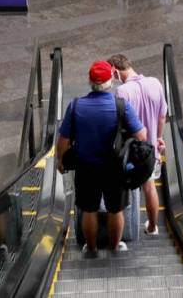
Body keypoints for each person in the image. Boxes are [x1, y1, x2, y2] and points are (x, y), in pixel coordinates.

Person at [56, 61, 146, 258]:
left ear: (90, 81)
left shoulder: (75, 106)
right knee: (116, 209)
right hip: (115, 168)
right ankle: (115, 247)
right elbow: (141, 136)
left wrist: (60, 161)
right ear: (110, 81)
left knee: (89, 209)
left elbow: (62, 140)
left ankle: (92, 248)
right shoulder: (121, 105)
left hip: (85, 167)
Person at [110, 54, 167, 236]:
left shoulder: (122, 92)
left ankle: (126, 231)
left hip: (131, 150)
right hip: (150, 149)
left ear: (116, 72)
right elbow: (162, 116)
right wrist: (158, 137)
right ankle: (152, 227)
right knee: (149, 187)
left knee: (126, 189)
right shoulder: (155, 83)